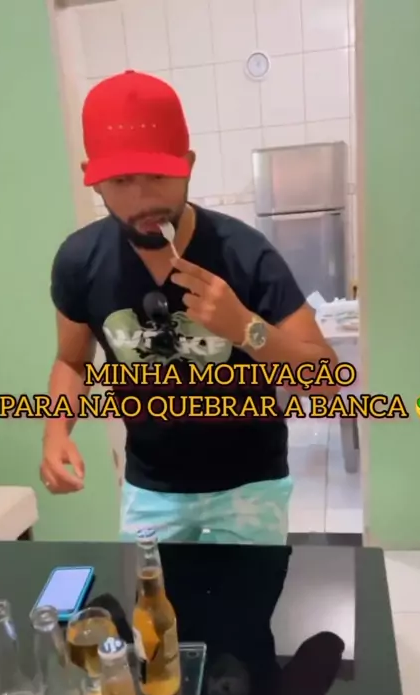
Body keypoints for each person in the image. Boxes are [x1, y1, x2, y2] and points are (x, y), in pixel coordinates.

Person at [41, 70, 337, 545]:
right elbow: (72, 361)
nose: (143, 200)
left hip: (250, 485)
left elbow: (324, 383)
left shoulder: (246, 254)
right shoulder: (80, 262)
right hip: (150, 488)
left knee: (246, 596)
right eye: (121, 181)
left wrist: (246, 328)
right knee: (151, 596)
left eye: (159, 176)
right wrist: (56, 433)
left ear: (188, 165)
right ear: (92, 180)